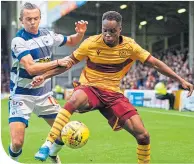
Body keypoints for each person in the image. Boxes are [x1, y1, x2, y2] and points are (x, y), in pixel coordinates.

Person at [33, 11, 193, 163]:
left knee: (143, 135)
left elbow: (155, 64)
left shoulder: (130, 47)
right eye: (105, 30)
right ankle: (47, 144)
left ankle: (53, 151)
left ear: (120, 30)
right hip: (90, 88)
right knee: (74, 99)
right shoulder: (90, 43)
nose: (108, 34)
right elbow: (67, 64)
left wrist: (181, 80)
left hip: (113, 95)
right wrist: (44, 76)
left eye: (112, 31)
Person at [9, 2, 88, 164]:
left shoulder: (48, 35)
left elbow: (71, 41)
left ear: (40, 18)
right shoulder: (18, 41)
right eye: (28, 19)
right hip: (22, 96)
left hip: (44, 94)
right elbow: (31, 68)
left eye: (36, 18)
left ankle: (52, 154)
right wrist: (58, 62)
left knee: (64, 131)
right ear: (21, 21)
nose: (32, 22)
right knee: (17, 143)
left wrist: (80, 34)